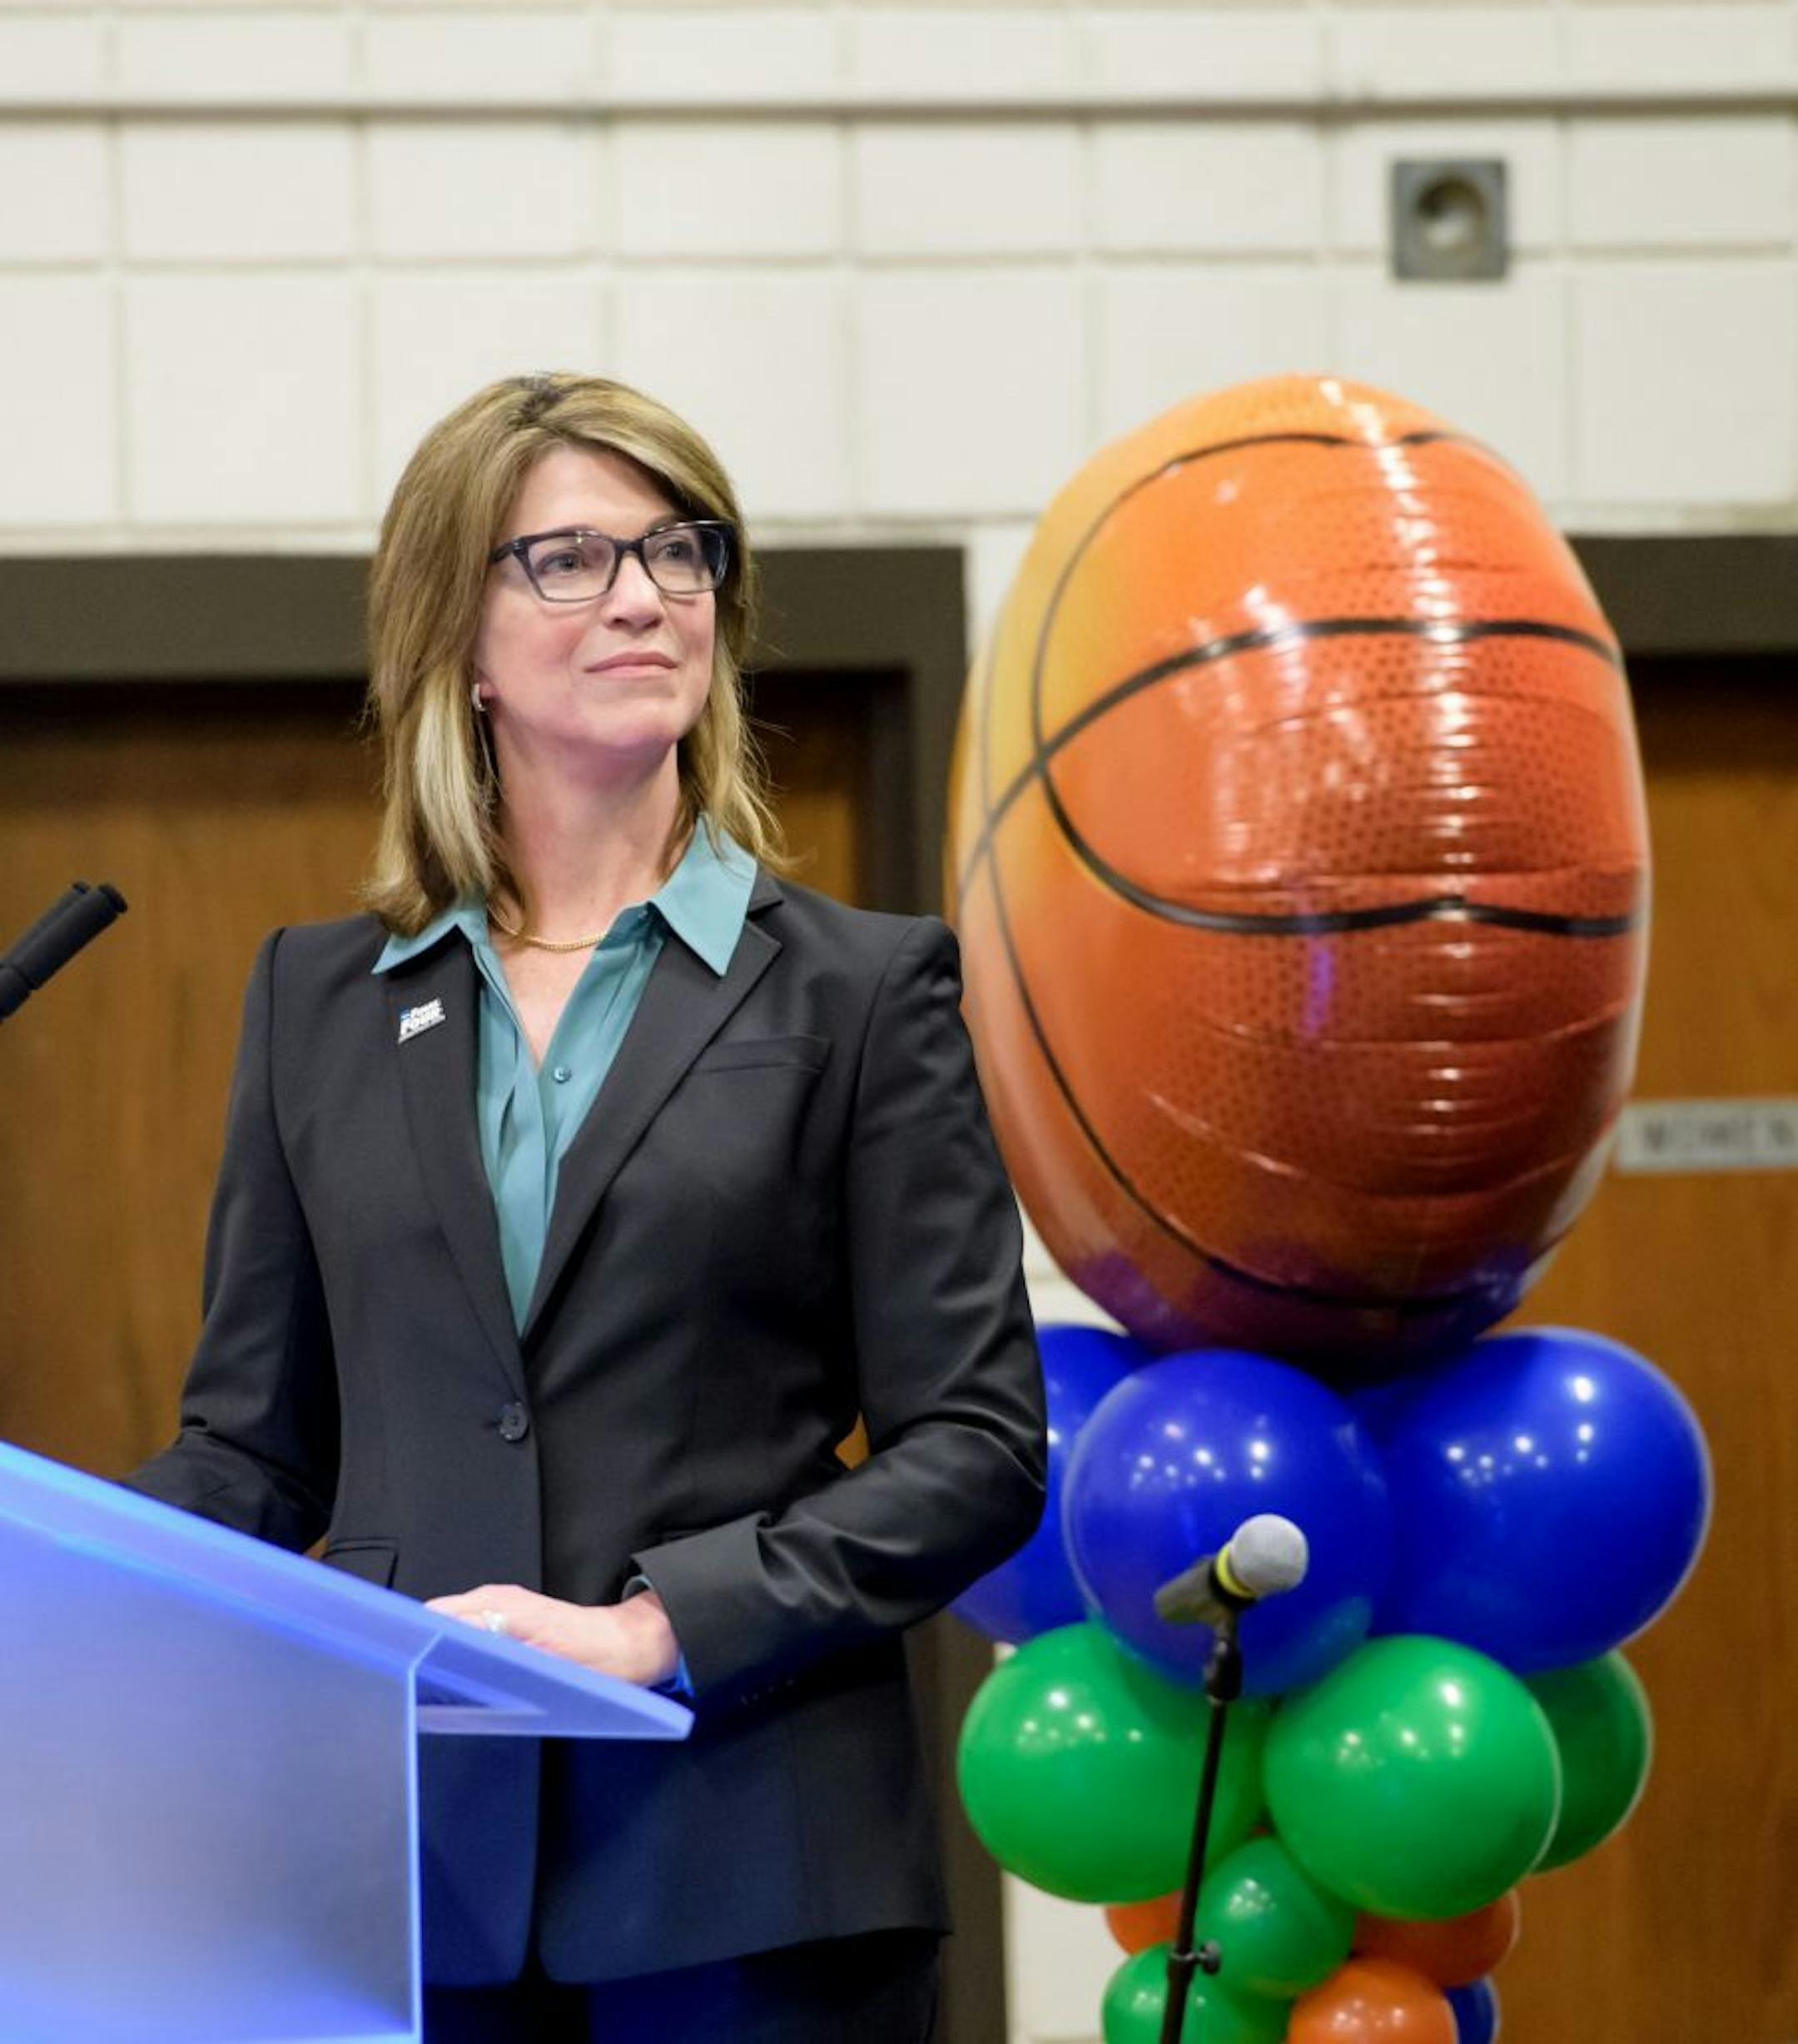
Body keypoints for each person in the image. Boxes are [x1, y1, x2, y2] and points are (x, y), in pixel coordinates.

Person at [125, 371, 1046, 2042]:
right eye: (568, 558)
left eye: (680, 552)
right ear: (455, 641)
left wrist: (654, 1628)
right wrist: (76, 1584)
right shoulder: (316, 1001)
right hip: (403, 1885)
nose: (642, 594)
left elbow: (975, 1446)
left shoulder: (860, 989)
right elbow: (254, 1450)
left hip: (759, 1877)